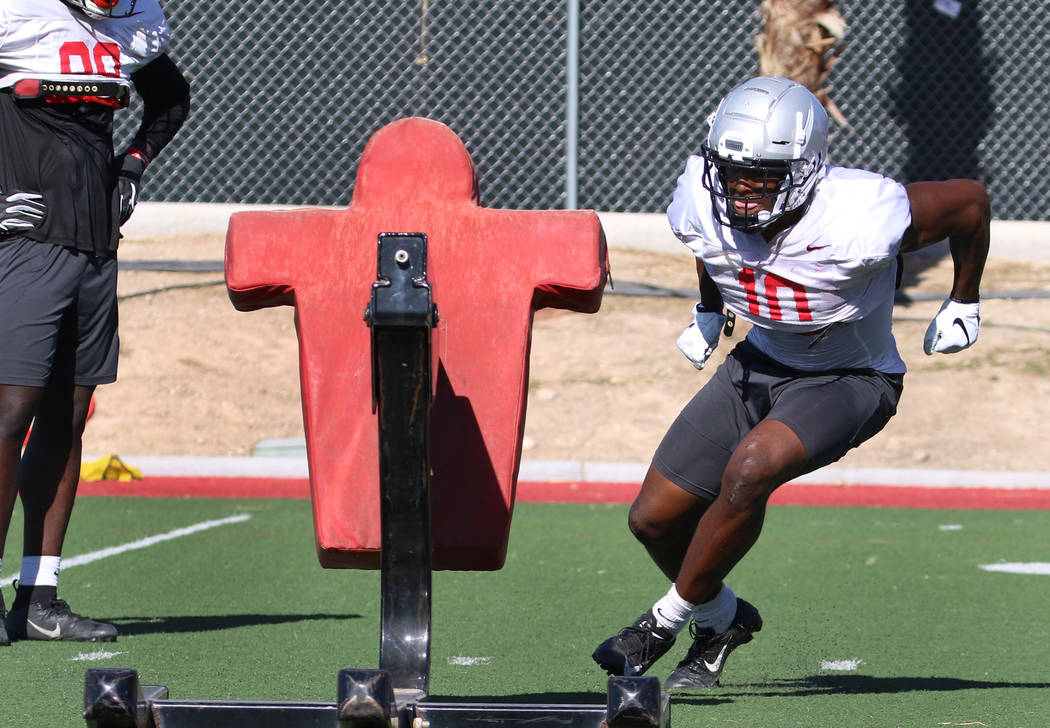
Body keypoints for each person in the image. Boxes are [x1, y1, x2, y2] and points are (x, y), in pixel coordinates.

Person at [592, 75, 988, 689]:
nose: (743, 191)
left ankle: (660, 624)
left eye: (765, 175)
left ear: (806, 168)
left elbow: (970, 201)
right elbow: (708, 243)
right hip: (758, 364)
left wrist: (963, 300)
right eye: (732, 173)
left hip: (851, 376)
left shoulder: (860, 215)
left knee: (751, 468)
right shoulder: (701, 198)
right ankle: (723, 620)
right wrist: (709, 308)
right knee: (653, 520)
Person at [0, 0, 191, 645]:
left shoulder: (130, 22)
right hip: (22, 239)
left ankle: (37, 596)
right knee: (10, 407)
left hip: (93, 239)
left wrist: (132, 168)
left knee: (67, 411)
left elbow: (169, 96)